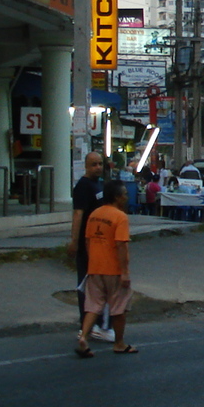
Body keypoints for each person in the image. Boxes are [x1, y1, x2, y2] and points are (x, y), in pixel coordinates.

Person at [77, 180, 138, 357]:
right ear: (117, 197)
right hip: (113, 270)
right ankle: (119, 343)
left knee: (93, 306)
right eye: (125, 194)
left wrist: (93, 261)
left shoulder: (94, 214)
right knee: (119, 308)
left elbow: (88, 240)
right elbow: (121, 246)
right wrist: (125, 272)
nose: (127, 197)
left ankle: (83, 337)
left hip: (95, 268)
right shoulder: (120, 217)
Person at [67, 152, 114, 343]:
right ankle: (87, 324)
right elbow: (78, 214)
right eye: (93, 164)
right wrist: (74, 242)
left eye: (100, 164)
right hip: (87, 244)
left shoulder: (99, 185)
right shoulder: (83, 186)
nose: (98, 167)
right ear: (86, 166)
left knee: (99, 284)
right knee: (87, 285)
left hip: (100, 243)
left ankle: (97, 324)